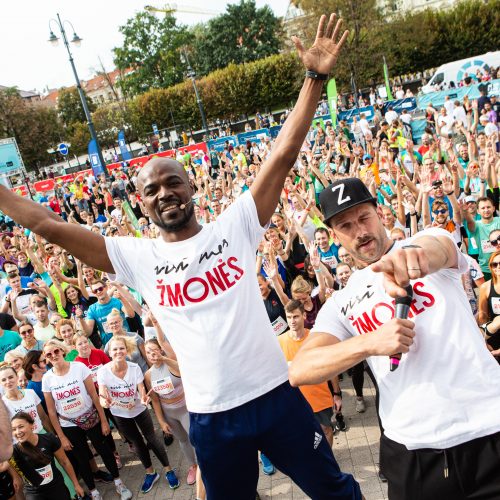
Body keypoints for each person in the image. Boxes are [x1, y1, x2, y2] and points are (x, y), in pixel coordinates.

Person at [0, 14, 362, 500]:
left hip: (277, 398)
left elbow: (282, 153)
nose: (166, 193)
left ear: (191, 187)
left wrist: (315, 78)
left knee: (335, 490)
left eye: (174, 182)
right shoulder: (134, 256)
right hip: (211, 416)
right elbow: (46, 224)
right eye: (153, 189)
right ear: (141, 202)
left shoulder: (235, 226)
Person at [290, 177, 500, 500]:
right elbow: (300, 369)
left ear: (379, 212)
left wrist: (408, 258)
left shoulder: (427, 238)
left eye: (364, 217)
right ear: (334, 236)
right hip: (414, 453)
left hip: (489, 428)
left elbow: (439, 250)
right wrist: (370, 342)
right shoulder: (342, 302)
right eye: (346, 226)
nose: (360, 232)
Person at [42, 339, 132, 500]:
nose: (54, 355)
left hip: (91, 417)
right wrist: (61, 436)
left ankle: (119, 483)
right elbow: (51, 410)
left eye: (56, 351)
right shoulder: (47, 379)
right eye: (49, 354)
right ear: (46, 357)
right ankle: (94, 492)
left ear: (62, 351)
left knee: (104, 451)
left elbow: (94, 395)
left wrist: (104, 421)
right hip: (68, 423)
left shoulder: (79, 368)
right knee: (82, 458)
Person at [97, 335, 179, 493]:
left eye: (122, 348)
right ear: (110, 352)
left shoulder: (134, 368)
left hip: (139, 409)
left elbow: (141, 388)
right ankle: (150, 473)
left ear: (126, 350)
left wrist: (143, 396)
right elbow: (102, 393)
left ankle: (168, 470)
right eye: (115, 349)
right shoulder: (103, 372)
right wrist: (104, 402)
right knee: (137, 442)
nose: (119, 351)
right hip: (120, 413)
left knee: (152, 439)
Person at [278, 300, 341, 447]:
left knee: (326, 430)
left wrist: (337, 394)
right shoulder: (279, 341)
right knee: (301, 434)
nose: (292, 321)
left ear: (304, 316)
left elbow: (331, 367)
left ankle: (328, 462)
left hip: (319, 396)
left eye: (296, 316)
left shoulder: (316, 338)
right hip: (294, 400)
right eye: (289, 317)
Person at [144, 337, 198, 486]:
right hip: (169, 413)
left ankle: (203, 466)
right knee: (182, 440)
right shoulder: (148, 375)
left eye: (154, 350)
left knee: (194, 438)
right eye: (148, 352)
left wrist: (164, 358)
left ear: (161, 349)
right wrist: (161, 421)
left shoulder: (171, 364)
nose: (152, 354)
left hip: (185, 408)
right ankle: (193, 466)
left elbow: (182, 369)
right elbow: (155, 400)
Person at [11, 412, 84, 500]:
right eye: (14, 429)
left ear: (32, 425)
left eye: (21, 426)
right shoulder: (14, 451)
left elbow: (64, 462)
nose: (17, 432)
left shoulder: (49, 439)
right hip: (34, 493)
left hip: (57, 488)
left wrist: (76, 485)